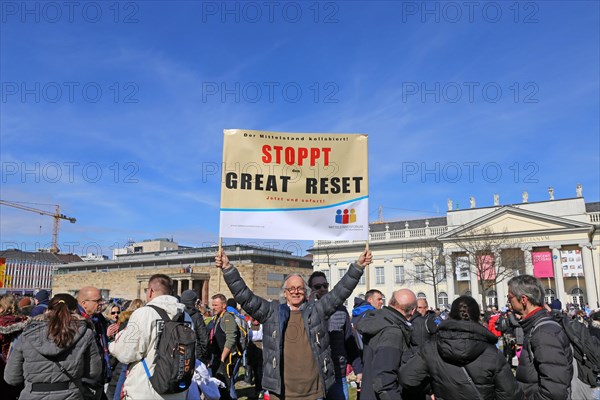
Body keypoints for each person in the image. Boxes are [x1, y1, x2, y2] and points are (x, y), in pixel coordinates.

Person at [215, 247, 371, 400]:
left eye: (300, 288)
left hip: (314, 392)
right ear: (285, 293)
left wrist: (358, 267)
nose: (296, 292)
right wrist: (228, 269)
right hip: (281, 393)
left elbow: (340, 291)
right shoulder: (271, 312)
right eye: (291, 289)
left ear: (306, 292)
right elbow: (245, 297)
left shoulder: (317, 311)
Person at [399, 295, 523, 400]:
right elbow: (510, 394)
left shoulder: (432, 347)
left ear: (451, 315)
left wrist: (433, 387)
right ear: (477, 316)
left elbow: (408, 378)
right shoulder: (492, 353)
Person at [4, 293, 102, 400]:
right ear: (75, 311)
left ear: (47, 310)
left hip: (33, 394)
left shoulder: (27, 334)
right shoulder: (85, 334)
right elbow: (93, 373)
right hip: (71, 394)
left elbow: (11, 378)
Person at [109, 274, 188, 399]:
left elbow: (126, 353)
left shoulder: (144, 313)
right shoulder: (185, 317)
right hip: (176, 389)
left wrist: (113, 345)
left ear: (150, 291)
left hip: (145, 388)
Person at [507, 275, 573, 399]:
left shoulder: (544, 333)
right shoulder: (536, 327)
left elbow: (554, 392)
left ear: (524, 300)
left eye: (510, 297)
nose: (508, 302)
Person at [308, 271, 362, 400]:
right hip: (315, 375)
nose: (322, 289)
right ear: (311, 290)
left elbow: (349, 340)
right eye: (317, 287)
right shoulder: (306, 310)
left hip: (338, 372)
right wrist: (312, 305)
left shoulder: (341, 310)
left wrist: (358, 368)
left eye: (325, 286)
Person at [356, 289, 417, 400]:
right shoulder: (392, 332)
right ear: (413, 311)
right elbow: (384, 380)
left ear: (390, 302)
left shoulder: (379, 320)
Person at [77, 286, 112, 399]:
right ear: (84, 303)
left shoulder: (99, 320)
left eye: (101, 300)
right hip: (83, 382)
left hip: (98, 379)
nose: (101, 303)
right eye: (97, 301)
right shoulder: (74, 323)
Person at [207, 294, 241, 400]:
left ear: (224, 305)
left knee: (226, 385)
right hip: (219, 357)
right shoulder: (217, 318)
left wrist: (222, 358)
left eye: (216, 305)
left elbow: (231, 338)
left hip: (227, 358)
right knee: (220, 385)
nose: (214, 307)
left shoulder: (227, 318)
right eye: (213, 305)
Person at [111, 299, 144, 400]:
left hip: (123, 356)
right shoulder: (141, 320)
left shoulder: (123, 320)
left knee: (120, 382)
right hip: (136, 356)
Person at [0, 294, 30, 400]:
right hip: (23, 364)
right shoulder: (26, 321)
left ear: (2, 307)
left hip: (3, 365)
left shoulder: (1, 323)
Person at [180, 290, 210, 365]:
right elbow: (204, 338)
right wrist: (205, 356)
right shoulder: (196, 316)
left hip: (180, 353)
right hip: (196, 354)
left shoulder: (177, 314)